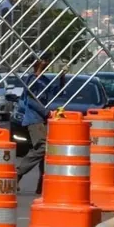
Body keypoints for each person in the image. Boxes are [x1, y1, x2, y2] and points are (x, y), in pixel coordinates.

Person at [15, 51, 68, 195]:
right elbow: (31, 100)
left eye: (47, 60)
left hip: (42, 120)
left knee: (46, 152)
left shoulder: (44, 79)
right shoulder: (30, 79)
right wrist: (46, 112)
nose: (46, 62)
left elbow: (57, 92)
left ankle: (42, 184)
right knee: (42, 147)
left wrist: (61, 78)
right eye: (44, 60)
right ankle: (17, 174)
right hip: (34, 119)